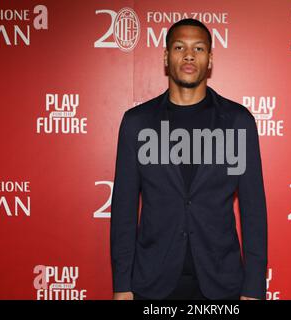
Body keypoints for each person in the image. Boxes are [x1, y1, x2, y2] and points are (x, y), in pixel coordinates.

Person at [111, 18, 267, 300]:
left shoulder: (237, 122)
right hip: (152, 283)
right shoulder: (137, 123)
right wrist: (122, 286)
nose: (189, 55)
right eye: (179, 47)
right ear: (166, 56)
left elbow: (254, 211)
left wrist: (254, 289)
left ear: (210, 60)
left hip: (221, 282)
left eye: (199, 48)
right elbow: (123, 210)